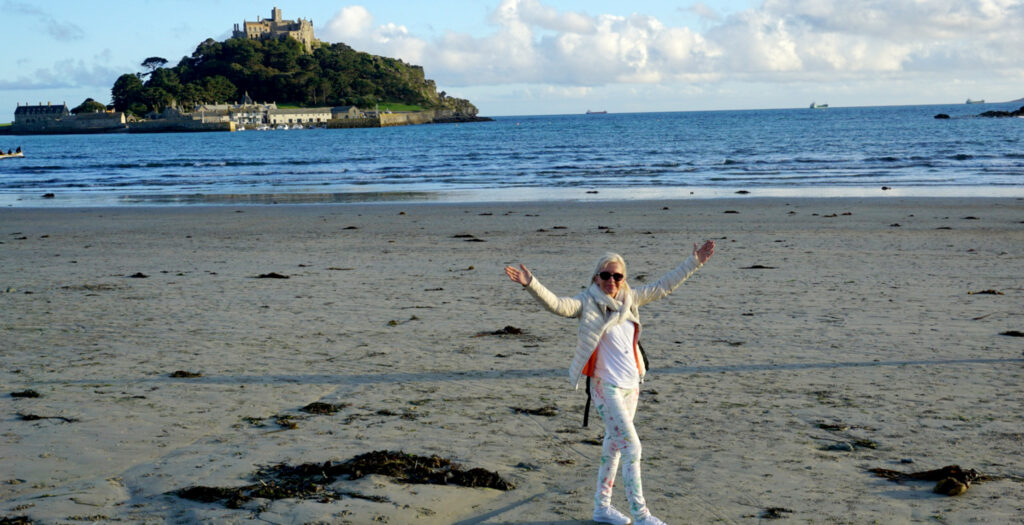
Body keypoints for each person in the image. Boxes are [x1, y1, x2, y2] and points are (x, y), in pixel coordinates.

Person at [504, 240, 715, 525]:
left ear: (623, 279)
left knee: (614, 446)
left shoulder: (630, 299)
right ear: (596, 278)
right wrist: (531, 284)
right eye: (605, 275)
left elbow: (663, 286)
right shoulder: (586, 302)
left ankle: (602, 508)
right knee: (632, 448)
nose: (611, 281)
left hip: (631, 386)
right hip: (606, 387)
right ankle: (641, 515)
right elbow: (557, 305)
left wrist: (694, 262)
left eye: (617, 276)